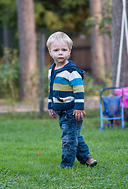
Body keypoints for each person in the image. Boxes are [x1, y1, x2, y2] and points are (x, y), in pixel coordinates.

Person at [46, 31, 97, 168]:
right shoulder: (52, 70)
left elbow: (79, 90)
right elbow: (51, 89)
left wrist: (79, 107)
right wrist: (51, 106)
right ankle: (87, 158)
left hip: (72, 111)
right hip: (61, 111)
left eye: (64, 50)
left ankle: (66, 166)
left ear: (69, 52)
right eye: (56, 50)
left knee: (68, 139)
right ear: (50, 52)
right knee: (74, 136)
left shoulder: (71, 72)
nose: (60, 53)